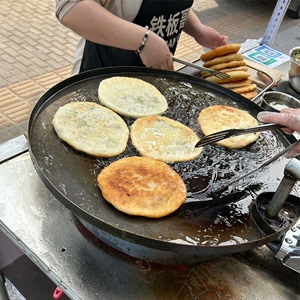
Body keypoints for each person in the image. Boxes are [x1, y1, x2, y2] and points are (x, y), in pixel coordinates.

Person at [55, 0, 228, 75]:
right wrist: (142, 40)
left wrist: (198, 30)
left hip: (152, 83)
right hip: (100, 78)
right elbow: (72, 8)